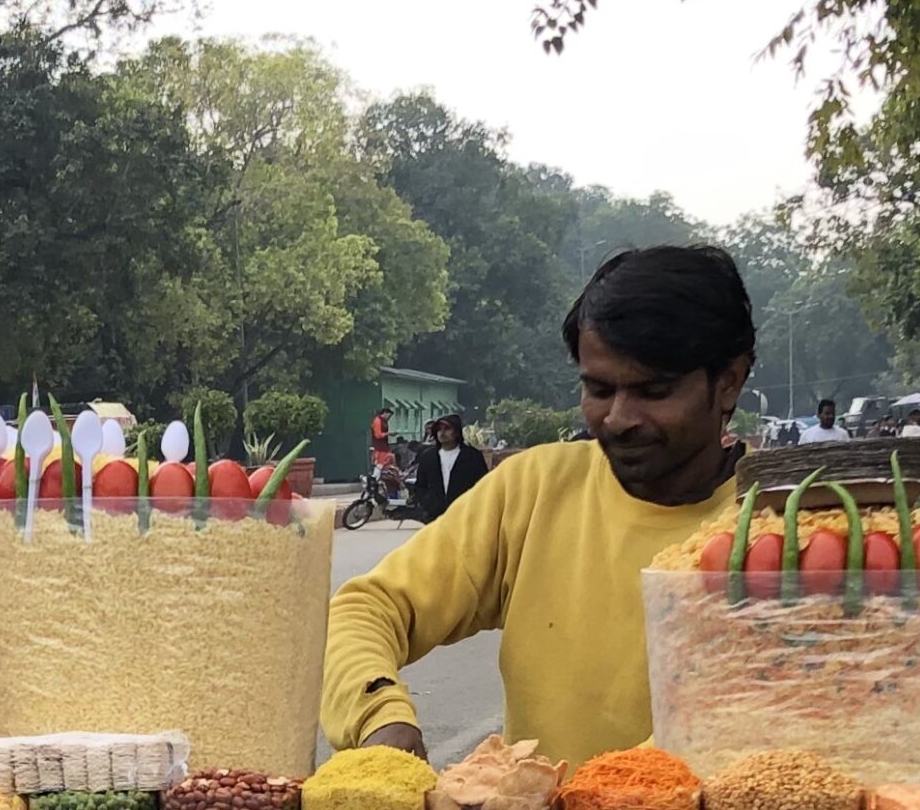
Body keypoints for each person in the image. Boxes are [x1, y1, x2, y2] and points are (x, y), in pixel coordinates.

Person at [322, 244, 754, 766]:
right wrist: (380, 718)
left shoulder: (790, 529)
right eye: (598, 388)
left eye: (653, 391)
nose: (618, 417)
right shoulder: (532, 491)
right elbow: (368, 609)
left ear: (728, 380)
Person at [408, 410, 487, 523]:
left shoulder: (472, 457)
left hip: (465, 516)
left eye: (447, 429)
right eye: (439, 429)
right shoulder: (428, 457)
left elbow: (482, 485)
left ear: (456, 432)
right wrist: (429, 503)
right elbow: (420, 486)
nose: (442, 433)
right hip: (435, 517)